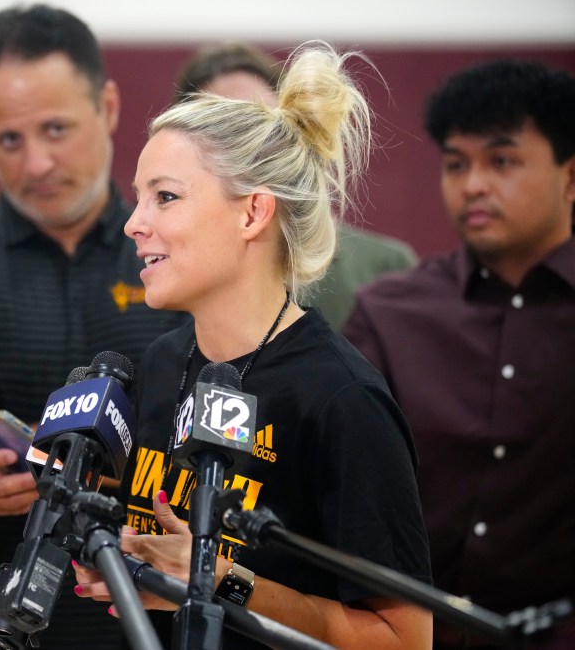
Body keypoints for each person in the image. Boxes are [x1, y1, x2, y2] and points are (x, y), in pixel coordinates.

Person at [74, 41, 433, 649]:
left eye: (165, 196)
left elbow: (405, 638)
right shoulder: (164, 362)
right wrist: (129, 559)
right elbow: (176, 568)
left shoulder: (341, 399)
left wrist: (227, 582)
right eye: (137, 197)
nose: (134, 222)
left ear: (253, 214)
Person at [0, 5, 185, 649]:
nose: (37, 164)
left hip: (148, 626)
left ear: (106, 107)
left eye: (56, 129)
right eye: (9, 140)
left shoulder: (178, 257)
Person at [343, 59, 575, 650]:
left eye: (502, 161)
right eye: (456, 164)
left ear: (569, 176)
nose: (473, 184)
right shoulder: (389, 314)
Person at [174, 41, 418, 331]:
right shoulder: (160, 269)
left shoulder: (384, 268)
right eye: (216, 130)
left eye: (257, 121)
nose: (241, 145)